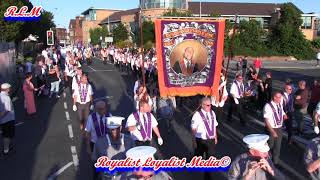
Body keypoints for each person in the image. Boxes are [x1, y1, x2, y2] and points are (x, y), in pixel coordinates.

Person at [191, 97, 218, 180]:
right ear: (202, 105)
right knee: (199, 155)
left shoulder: (212, 113)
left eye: (210, 105)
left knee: (210, 158)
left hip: (211, 140)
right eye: (207, 105)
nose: (209, 107)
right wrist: (194, 141)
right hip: (201, 140)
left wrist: (216, 136)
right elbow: (193, 129)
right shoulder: (196, 115)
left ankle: (207, 177)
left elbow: (214, 126)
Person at [263, 91, 287, 165]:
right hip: (271, 129)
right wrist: (272, 132)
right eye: (279, 97)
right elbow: (266, 120)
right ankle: (263, 158)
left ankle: (275, 162)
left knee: (278, 146)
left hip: (279, 128)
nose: (281, 99)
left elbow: (281, 111)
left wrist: (284, 114)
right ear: (274, 97)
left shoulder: (279, 104)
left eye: (281, 97)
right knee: (270, 145)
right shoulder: (268, 106)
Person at [0, 83, 15, 155]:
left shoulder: (1, 95)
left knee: (6, 134)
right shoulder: (6, 98)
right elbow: (7, 110)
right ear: (7, 89)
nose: (10, 89)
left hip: (3, 120)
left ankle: (7, 147)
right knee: (7, 135)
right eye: (9, 88)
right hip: (8, 119)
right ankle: (6, 149)